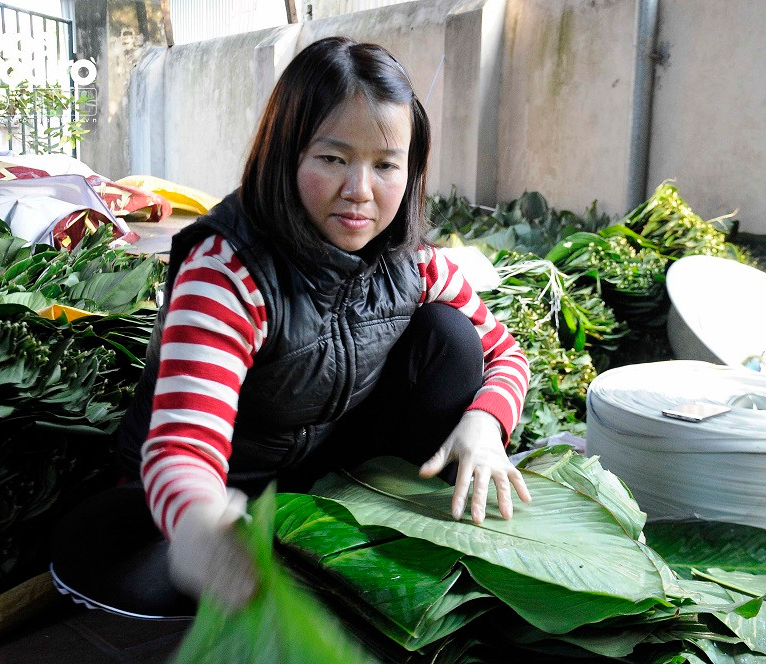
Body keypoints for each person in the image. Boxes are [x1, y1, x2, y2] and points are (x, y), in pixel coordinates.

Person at [50, 36, 531, 617]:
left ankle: (346, 528)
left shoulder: (413, 263)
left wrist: (485, 423)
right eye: (332, 159)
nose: (360, 192)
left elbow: (507, 353)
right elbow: (183, 446)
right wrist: (201, 525)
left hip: (316, 470)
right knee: (127, 561)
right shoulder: (229, 272)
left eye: (386, 166)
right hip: (224, 487)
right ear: (287, 155)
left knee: (450, 337)